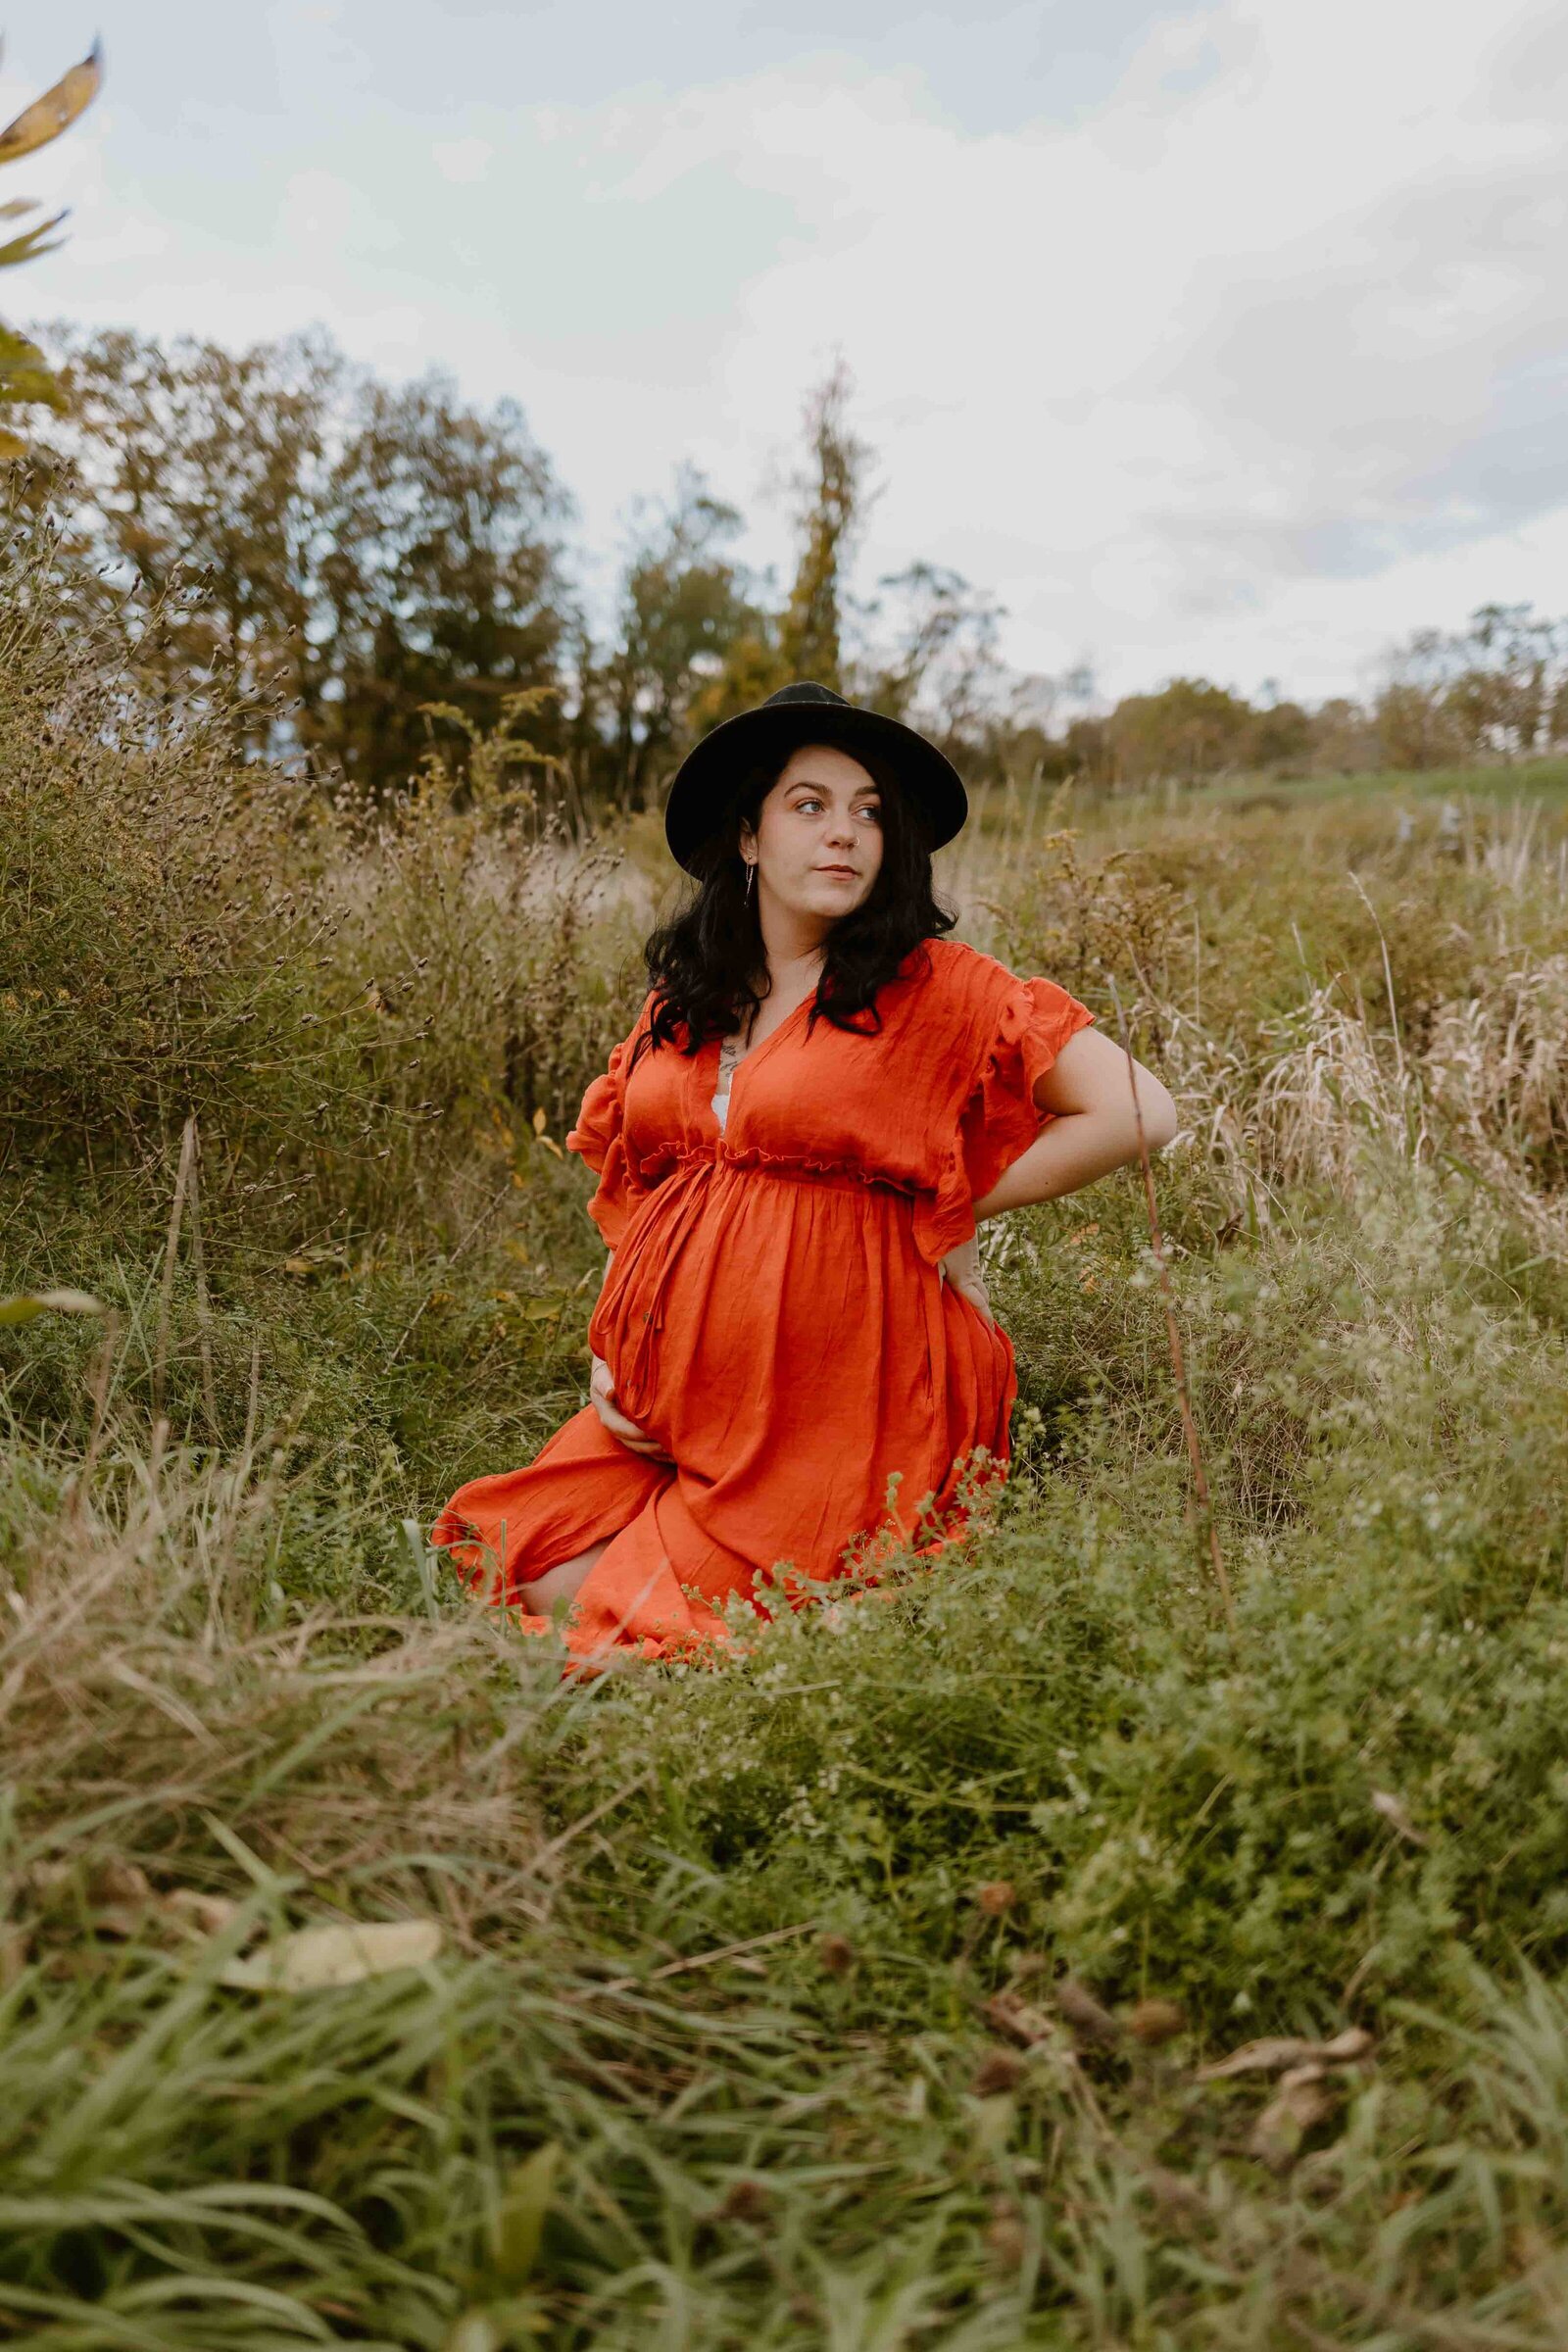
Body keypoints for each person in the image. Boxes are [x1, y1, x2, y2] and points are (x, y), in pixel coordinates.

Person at [431, 681, 1178, 1665]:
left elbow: (1142, 1111)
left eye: (870, 812)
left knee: (616, 1616)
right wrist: (619, 1356)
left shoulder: (941, 986)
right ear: (748, 837)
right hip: (668, 1408)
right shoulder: (689, 995)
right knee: (519, 1556)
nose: (845, 834)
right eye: (810, 805)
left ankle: (849, 1628)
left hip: (847, 1397)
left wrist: (950, 1201)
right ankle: (814, 1622)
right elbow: (642, 1181)